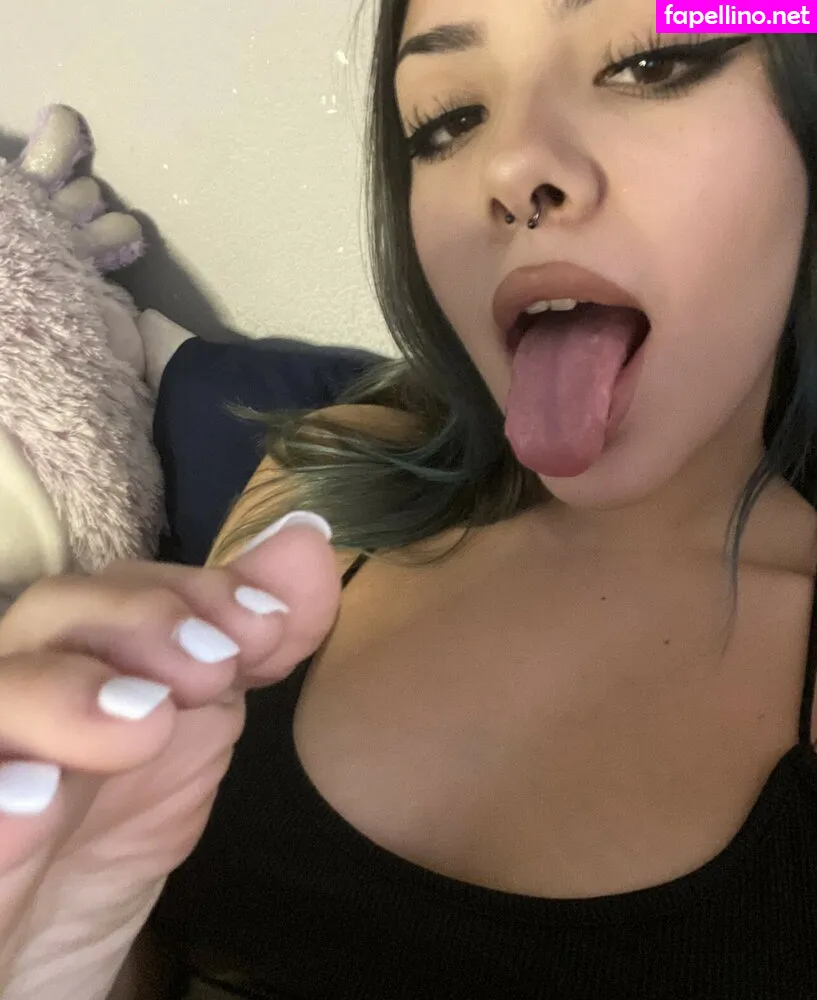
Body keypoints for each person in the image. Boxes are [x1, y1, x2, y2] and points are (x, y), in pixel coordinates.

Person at [2, 0, 817, 996]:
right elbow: (149, 940)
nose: (509, 166)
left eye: (651, 62)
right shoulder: (332, 475)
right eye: (446, 120)